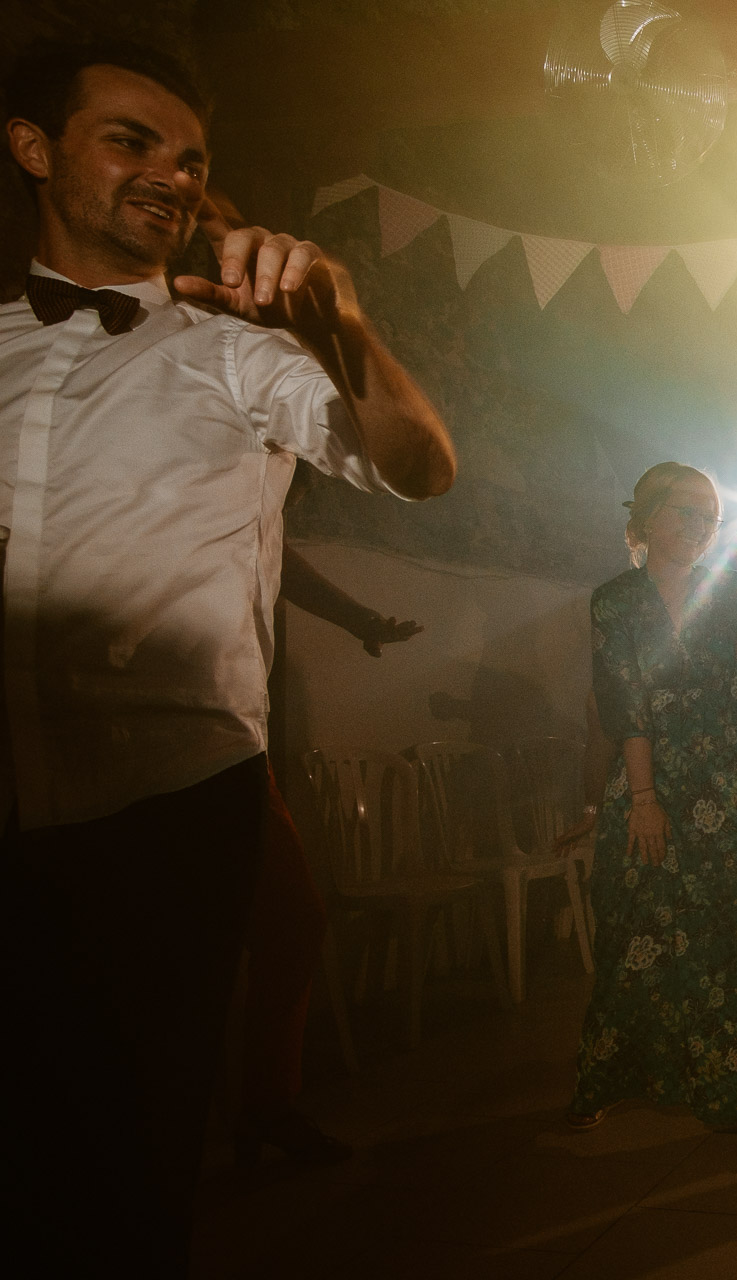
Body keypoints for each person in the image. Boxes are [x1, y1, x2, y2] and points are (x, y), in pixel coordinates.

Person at [0, 41, 455, 1274]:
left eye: (191, 158)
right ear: (34, 148)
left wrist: (341, 324)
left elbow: (417, 465)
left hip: (165, 805)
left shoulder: (239, 351)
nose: (171, 173)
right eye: (130, 140)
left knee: (124, 1174)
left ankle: (258, 1106)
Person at [566, 463, 737, 1168]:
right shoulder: (616, 602)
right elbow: (621, 702)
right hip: (646, 787)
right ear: (649, 516)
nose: (700, 527)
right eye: (686, 512)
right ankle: (617, 1076)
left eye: (710, 516)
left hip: (729, 788)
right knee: (633, 932)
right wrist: (640, 800)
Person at [236, 544, 424, 1169]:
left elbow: (276, 553)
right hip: (119, 732)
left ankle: (264, 1106)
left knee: (293, 919)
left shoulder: (252, 503)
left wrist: (359, 620)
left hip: (225, 741)